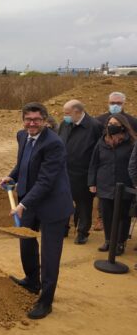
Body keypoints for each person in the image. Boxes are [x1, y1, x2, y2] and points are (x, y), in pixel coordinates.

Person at [0, 102, 73, 320]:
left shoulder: (54, 144)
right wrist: (11, 176)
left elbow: (45, 180)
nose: (32, 123)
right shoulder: (22, 136)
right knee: (26, 242)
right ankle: (32, 281)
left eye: (36, 120)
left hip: (53, 204)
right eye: (28, 119)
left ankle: (46, 301)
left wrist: (23, 204)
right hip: (30, 201)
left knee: (50, 254)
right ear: (23, 120)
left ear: (45, 121)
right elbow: (23, 163)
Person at [88, 114, 136, 255]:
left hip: (124, 185)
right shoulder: (102, 141)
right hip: (104, 184)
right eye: (110, 123)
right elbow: (94, 163)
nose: (112, 125)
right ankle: (109, 241)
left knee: (123, 216)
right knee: (107, 215)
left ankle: (120, 243)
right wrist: (92, 182)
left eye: (115, 123)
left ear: (123, 125)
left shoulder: (132, 142)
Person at [57, 100, 103, 244]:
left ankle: (82, 232)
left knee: (84, 204)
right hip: (64, 171)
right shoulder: (65, 124)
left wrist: (93, 178)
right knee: (63, 201)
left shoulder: (94, 126)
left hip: (83, 173)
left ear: (77, 112)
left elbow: (99, 152)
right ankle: (63, 228)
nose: (65, 116)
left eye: (67, 113)